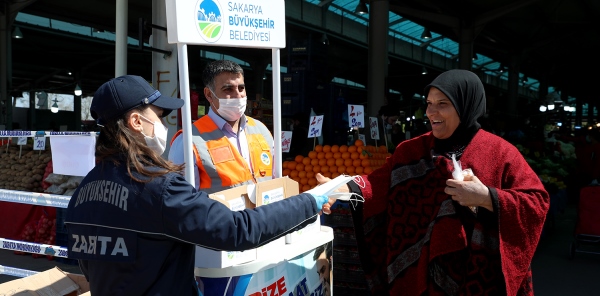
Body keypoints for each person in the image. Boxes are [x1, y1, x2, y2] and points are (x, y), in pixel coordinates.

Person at [64, 75, 332, 296]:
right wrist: (311, 201)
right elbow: (238, 230)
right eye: (158, 115)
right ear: (136, 122)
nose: (162, 123)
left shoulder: (82, 194)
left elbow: (91, 268)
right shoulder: (158, 188)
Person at [317, 69, 550, 295]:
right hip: (414, 277)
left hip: (476, 280)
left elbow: (536, 202)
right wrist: (338, 189)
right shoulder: (410, 151)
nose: (431, 112)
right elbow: (377, 184)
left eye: (442, 104)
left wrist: (486, 197)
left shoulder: (500, 154)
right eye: (429, 103)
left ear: (465, 106)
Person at [168, 60, 275, 192]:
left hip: (264, 211)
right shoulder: (188, 140)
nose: (238, 95)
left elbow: (274, 180)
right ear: (209, 94)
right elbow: (183, 200)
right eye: (228, 89)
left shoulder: (261, 129)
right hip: (221, 213)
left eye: (241, 88)